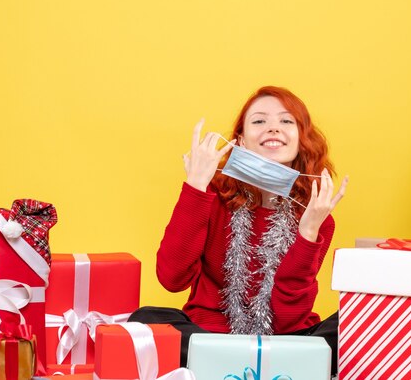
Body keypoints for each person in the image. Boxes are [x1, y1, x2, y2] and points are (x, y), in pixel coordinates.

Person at [129, 86, 348, 374]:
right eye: (259, 121)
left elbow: (289, 320)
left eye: (286, 121)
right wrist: (195, 185)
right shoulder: (212, 195)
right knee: (145, 320)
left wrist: (308, 232)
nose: (273, 128)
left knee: (352, 326)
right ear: (240, 141)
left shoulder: (316, 216)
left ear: (301, 139)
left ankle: (234, 366)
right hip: (210, 335)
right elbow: (172, 278)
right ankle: (271, 369)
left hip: (286, 339)